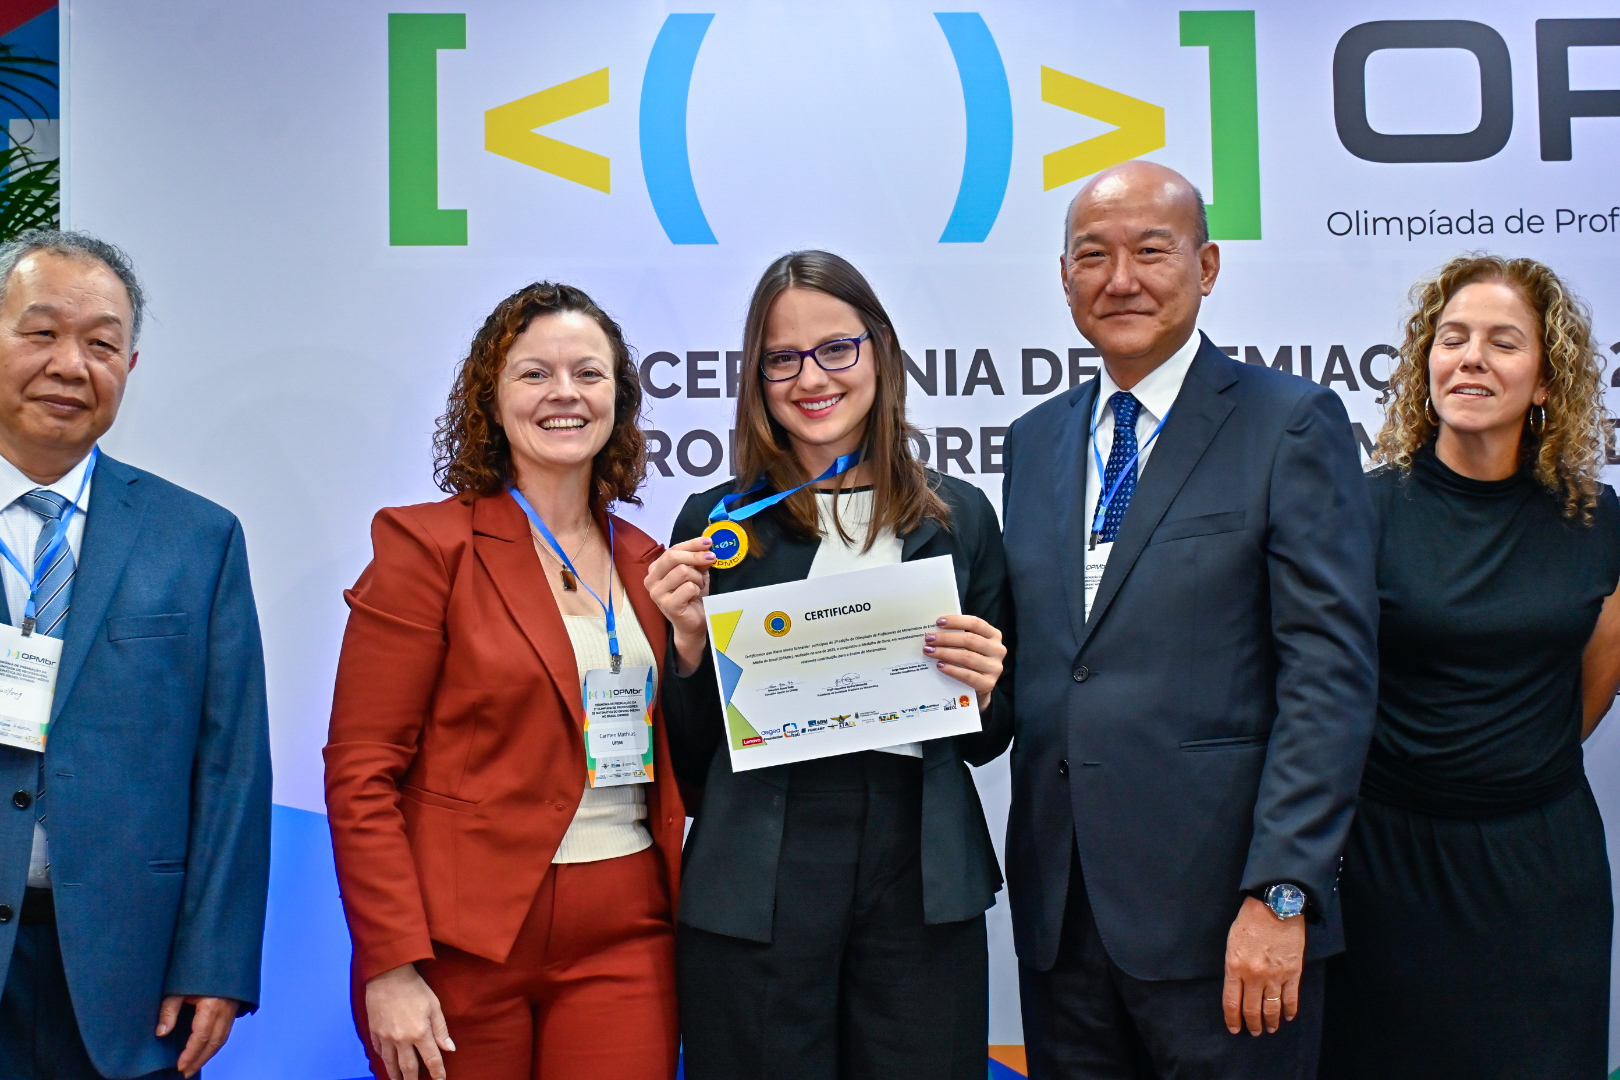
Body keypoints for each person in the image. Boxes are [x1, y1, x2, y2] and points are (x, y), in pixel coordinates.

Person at [1000, 161, 1379, 1078]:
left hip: (1228, 923)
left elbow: (1328, 679)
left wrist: (1282, 892)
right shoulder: (1034, 440)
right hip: (1063, 921)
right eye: (1093, 255)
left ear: (1206, 267)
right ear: (1064, 277)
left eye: (1151, 251)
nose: (1120, 279)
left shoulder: (1289, 424)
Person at [645, 250, 1010, 1080]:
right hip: (759, 868)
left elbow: (992, 740)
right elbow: (693, 765)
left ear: (880, 350)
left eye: (836, 348)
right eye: (782, 358)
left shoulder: (961, 516)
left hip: (920, 867)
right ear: (757, 377)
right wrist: (690, 648)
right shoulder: (717, 521)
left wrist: (988, 688)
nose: (811, 378)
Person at [324, 282, 684, 1080]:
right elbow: (361, 771)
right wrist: (390, 963)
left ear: (619, 400)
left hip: (629, 930)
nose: (565, 393)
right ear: (491, 398)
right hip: (459, 941)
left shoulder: (649, 562)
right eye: (535, 373)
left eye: (588, 373)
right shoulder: (427, 548)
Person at [1320, 256, 1620, 1079]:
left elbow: (1595, 680)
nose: (1471, 359)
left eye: (1503, 342)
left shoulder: (1598, 522)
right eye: (1452, 339)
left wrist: (1507, 766)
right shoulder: (1359, 512)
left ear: (1548, 380)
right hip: (1387, 869)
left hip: (1542, 873)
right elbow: (1318, 689)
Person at [0, 230, 271, 1079]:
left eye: (101, 345)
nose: (70, 365)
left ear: (130, 365)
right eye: (42, 333)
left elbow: (232, 768)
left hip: (129, 975)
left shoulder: (197, 539)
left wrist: (217, 962)